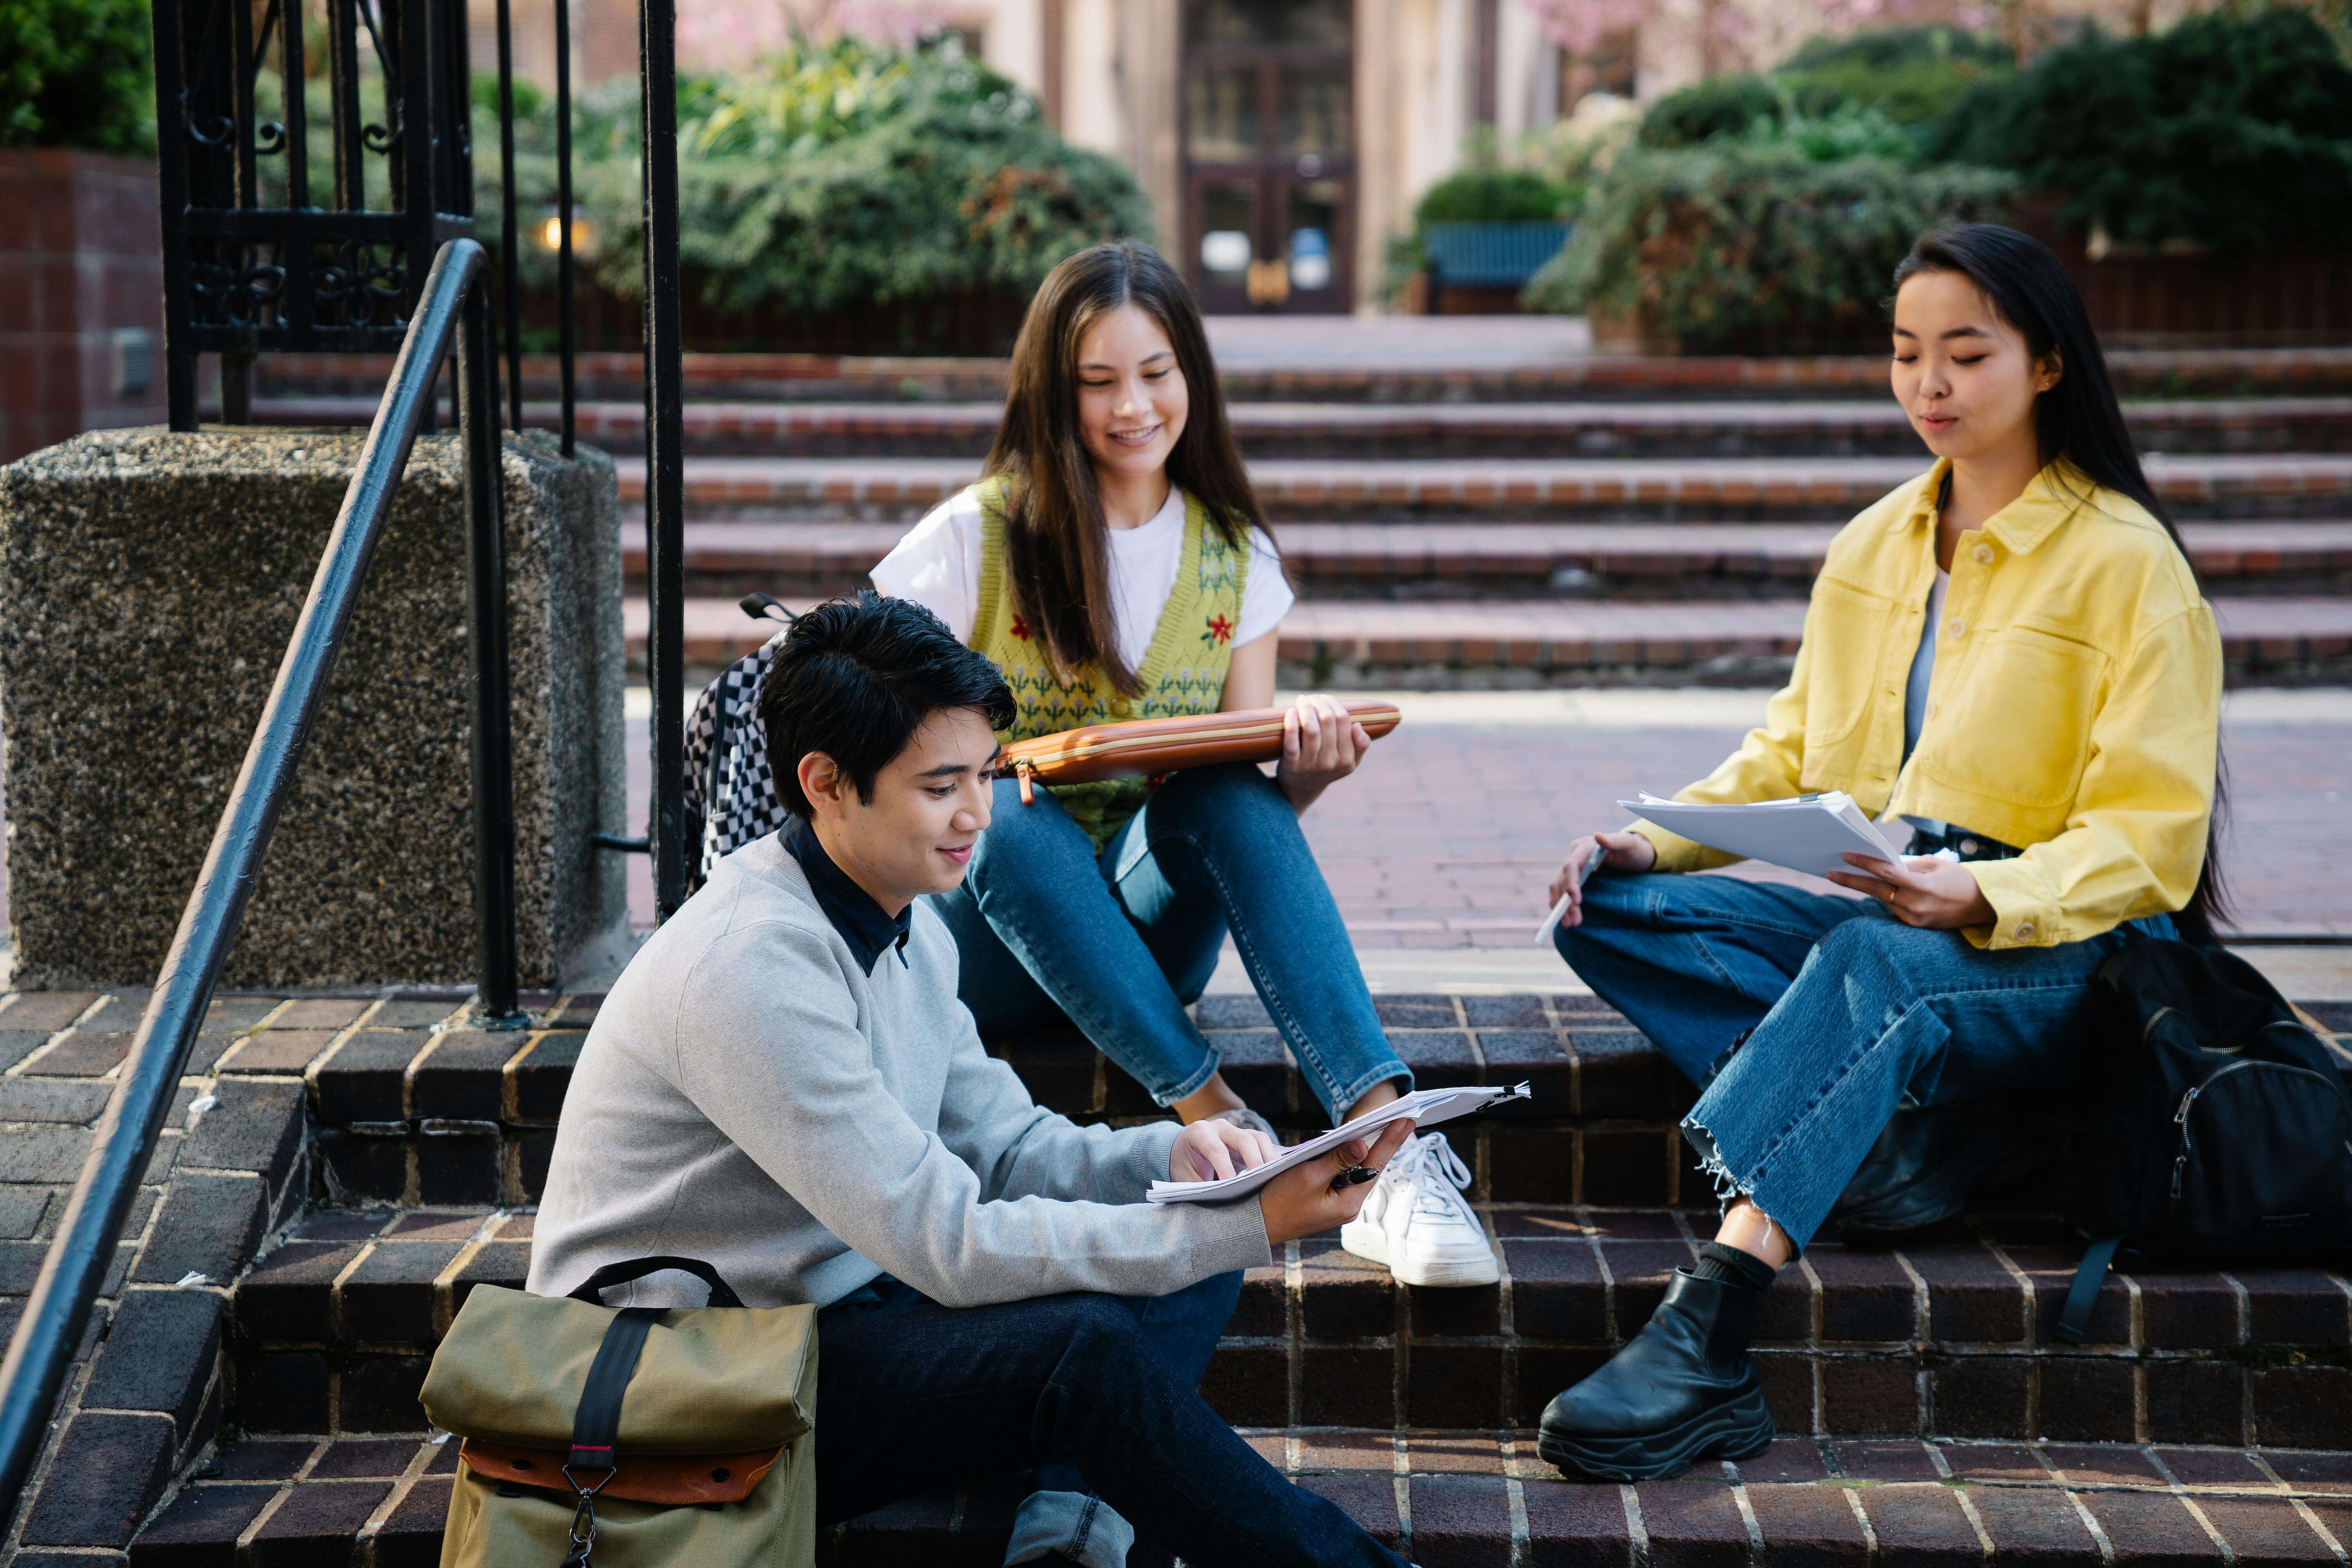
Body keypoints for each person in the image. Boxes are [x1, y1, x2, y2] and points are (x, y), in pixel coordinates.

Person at [531, 592, 1423, 1568]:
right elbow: (949, 1241)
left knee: (1180, 1261)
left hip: (833, 1310)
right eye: (940, 785)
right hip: (691, 1381)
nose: (976, 815)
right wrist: (1249, 1222)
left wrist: (1177, 1158)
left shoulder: (897, 915)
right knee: (1089, 1346)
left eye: (985, 775)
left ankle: (1069, 1525)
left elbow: (1008, 1147)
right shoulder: (750, 966)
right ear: (826, 782)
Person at [1533, 224, 2224, 1482]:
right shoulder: (1877, 546)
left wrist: (1987, 891)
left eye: (1967, 353)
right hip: (1910, 904)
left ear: (2050, 364)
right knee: (1609, 915)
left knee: (1871, 963)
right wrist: (1647, 838)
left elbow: (2155, 840)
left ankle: (1714, 1330)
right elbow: (1793, 749)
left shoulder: (2130, 565)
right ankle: (1888, 1149)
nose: (1930, 386)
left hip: (2067, 947)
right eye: (1908, 354)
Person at [870, 239, 1495, 1289]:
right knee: (1003, 813)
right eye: (1098, 382)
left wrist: (1311, 772)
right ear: (1050, 392)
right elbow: (885, 761)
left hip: (1146, 943)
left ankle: (1389, 1149)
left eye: (1156, 374)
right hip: (983, 944)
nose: (1134, 407)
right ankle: (1231, 1132)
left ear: (1192, 378)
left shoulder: (1234, 551)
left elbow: (1235, 791)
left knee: (1224, 793)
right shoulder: (971, 542)